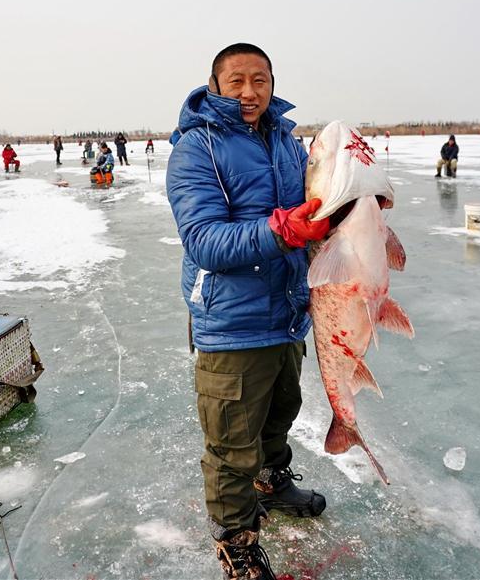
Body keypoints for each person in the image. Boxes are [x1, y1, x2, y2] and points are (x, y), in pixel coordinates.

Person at [166, 43, 328, 580]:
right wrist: (282, 230)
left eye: (259, 80)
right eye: (236, 81)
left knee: (280, 414)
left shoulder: (286, 140)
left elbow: (315, 206)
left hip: (287, 310)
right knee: (232, 441)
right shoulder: (197, 148)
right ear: (214, 86)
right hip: (232, 322)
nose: (249, 92)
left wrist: (352, 206)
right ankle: (235, 540)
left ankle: (271, 483)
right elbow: (206, 241)